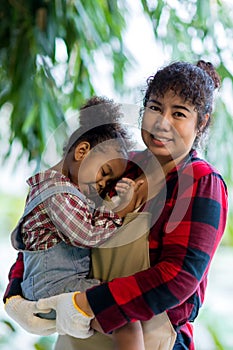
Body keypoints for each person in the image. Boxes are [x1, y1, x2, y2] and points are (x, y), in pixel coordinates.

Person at [4, 60, 228, 349]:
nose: (162, 123)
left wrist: (87, 304)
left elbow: (179, 277)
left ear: (202, 122)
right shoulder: (121, 165)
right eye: (155, 108)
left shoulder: (201, 182)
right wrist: (16, 293)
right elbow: (55, 224)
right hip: (79, 332)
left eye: (179, 113)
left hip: (146, 337)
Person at [7, 96, 146, 350]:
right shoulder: (58, 192)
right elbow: (87, 234)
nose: (103, 185)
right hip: (54, 289)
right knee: (126, 320)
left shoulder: (58, 189)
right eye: (104, 173)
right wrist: (121, 210)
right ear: (81, 152)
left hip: (52, 286)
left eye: (108, 182)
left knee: (117, 319)